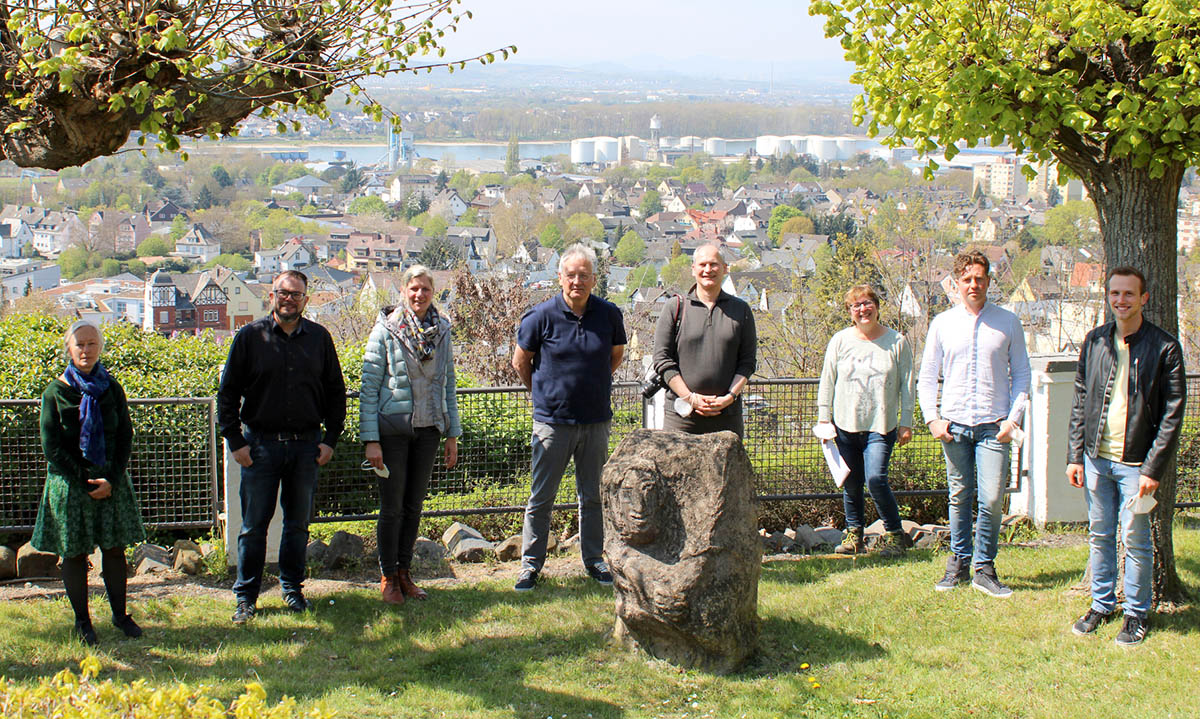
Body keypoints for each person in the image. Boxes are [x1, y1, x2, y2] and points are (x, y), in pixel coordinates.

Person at [218, 270, 346, 624]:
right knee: (254, 527)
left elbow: (336, 392)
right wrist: (236, 442)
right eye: (283, 293)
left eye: (296, 294)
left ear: (306, 299)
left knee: (297, 526)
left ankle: (293, 590)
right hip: (259, 448)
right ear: (272, 295)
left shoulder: (319, 339)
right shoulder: (249, 338)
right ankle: (246, 597)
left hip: (306, 448)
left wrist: (330, 439)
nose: (289, 299)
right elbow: (227, 394)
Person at [1066, 267, 1185, 646]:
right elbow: (1081, 398)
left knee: (1134, 540)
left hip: (1136, 464)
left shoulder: (1165, 347)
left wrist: (1153, 468)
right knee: (1100, 535)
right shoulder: (1095, 341)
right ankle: (1102, 605)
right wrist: (1075, 455)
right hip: (1096, 459)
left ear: (1144, 298)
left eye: (1129, 294)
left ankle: (1136, 612)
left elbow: (1172, 413)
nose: (1121, 300)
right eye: (1115, 293)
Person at [511, 244, 626, 591]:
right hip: (552, 423)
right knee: (541, 497)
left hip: (595, 421)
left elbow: (616, 356)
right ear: (559, 277)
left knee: (591, 496)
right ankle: (530, 566)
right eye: (571, 275)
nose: (577, 280)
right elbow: (520, 362)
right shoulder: (540, 316)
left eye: (584, 275)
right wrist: (545, 394)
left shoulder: (609, 315)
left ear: (594, 278)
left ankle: (594, 560)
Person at [918, 250, 1030, 597]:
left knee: (993, 498)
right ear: (956, 283)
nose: (974, 285)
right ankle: (958, 563)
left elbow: (1022, 374)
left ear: (989, 282)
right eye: (967, 279)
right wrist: (932, 419)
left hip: (994, 425)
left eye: (980, 278)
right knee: (959, 495)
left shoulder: (1008, 321)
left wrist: (1014, 419)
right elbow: (927, 377)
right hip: (954, 426)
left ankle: (984, 567)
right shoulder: (942, 323)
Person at [32, 320, 145, 646]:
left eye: (91, 344)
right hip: (71, 484)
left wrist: (110, 476)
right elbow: (52, 445)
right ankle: (83, 622)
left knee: (113, 550)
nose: (85, 350)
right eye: (79, 344)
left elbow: (124, 434)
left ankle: (120, 616)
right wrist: (85, 479)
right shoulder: (55, 392)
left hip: (111, 481)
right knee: (75, 554)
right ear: (69, 348)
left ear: (100, 348)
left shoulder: (112, 387)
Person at [360, 265, 461, 605]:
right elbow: (369, 388)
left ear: (433, 293)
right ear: (403, 291)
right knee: (392, 508)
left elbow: (448, 384)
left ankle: (405, 572)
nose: (419, 295)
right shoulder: (385, 330)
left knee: (414, 506)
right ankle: (388, 576)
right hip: (393, 429)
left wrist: (452, 434)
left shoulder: (443, 330)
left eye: (425, 290)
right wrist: (370, 439)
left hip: (429, 428)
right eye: (413, 289)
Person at [817, 285, 914, 557]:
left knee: (875, 478)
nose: (862, 309)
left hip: (881, 426)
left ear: (877, 306)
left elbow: (908, 386)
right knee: (851, 482)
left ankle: (895, 535)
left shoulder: (897, 341)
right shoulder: (840, 341)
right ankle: (854, 535)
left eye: (867, 303)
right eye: (856, 305)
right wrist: (824, 419)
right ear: (850, 312)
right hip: (845, 425)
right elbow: (827, 381)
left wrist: (906, 422)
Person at [652, 243, 756, 437]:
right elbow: (662, 360)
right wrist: (689, 398)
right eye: (702, 265)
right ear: (693, 270)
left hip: (727, 417)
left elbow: (747, 363)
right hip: (681, 418)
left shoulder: (741, 310)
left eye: (714, 264)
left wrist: (730, 397)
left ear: (725, 268)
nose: (708, 270)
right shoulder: (675, 308)